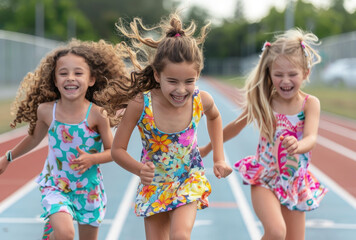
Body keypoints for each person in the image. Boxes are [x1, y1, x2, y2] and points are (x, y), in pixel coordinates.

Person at [100, 12, 233, 239]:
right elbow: (117, 150)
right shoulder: (141, 104)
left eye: (189, 81)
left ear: (198, 75)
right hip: (155, 185)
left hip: (188, 178)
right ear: (157, 75)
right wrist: (139, 169)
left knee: (180, 235)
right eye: (172, 81)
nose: (181, 90)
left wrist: (219, 157)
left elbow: (215, 117)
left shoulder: (201, 100)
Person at [0, 39, 131, 240]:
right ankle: (55, 227)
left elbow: (113, 152)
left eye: (78, 73)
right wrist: (8, 157)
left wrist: (93, 159)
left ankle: (51, 231)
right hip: (56, 185)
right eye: (63, 73)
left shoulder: (97, 114)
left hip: (89, 190)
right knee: (66, 233)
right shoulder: (47, 111)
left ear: (91, 79)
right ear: (55, 80)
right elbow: (33, 139)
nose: (70, 78)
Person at [200, 28, 328, 239]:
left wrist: (298, 145)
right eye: (278, 75)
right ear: (269, 74)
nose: (285, 81)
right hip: (265, 177)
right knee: (277, 232)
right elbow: (235, 126)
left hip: (294, 181)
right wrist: (207, 148)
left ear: (306, 73)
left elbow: (311, 138)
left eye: (292, 74)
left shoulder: (310, 104)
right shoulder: (266, 101)